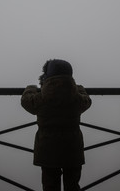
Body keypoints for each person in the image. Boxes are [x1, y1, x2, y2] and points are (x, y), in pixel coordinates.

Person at [21, 59, 92, 191]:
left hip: (47, 149)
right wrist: (80, 89)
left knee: (50, 185)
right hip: (72, 149)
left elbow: (26, 101)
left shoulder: (41, 98)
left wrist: (31, 88)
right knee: (72, 185)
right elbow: (87, 101)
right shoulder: (76, 98)